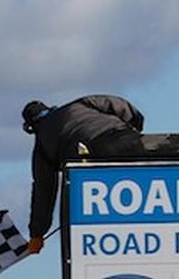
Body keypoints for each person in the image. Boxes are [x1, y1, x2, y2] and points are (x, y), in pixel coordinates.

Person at [22, 96, 145, 254]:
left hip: (94, 155)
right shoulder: (80, 104)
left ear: (31, 127)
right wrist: (136, 127)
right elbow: (119, 105)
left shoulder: (42, 147)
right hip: (126, 137)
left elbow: (43, 192)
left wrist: (37, 234)